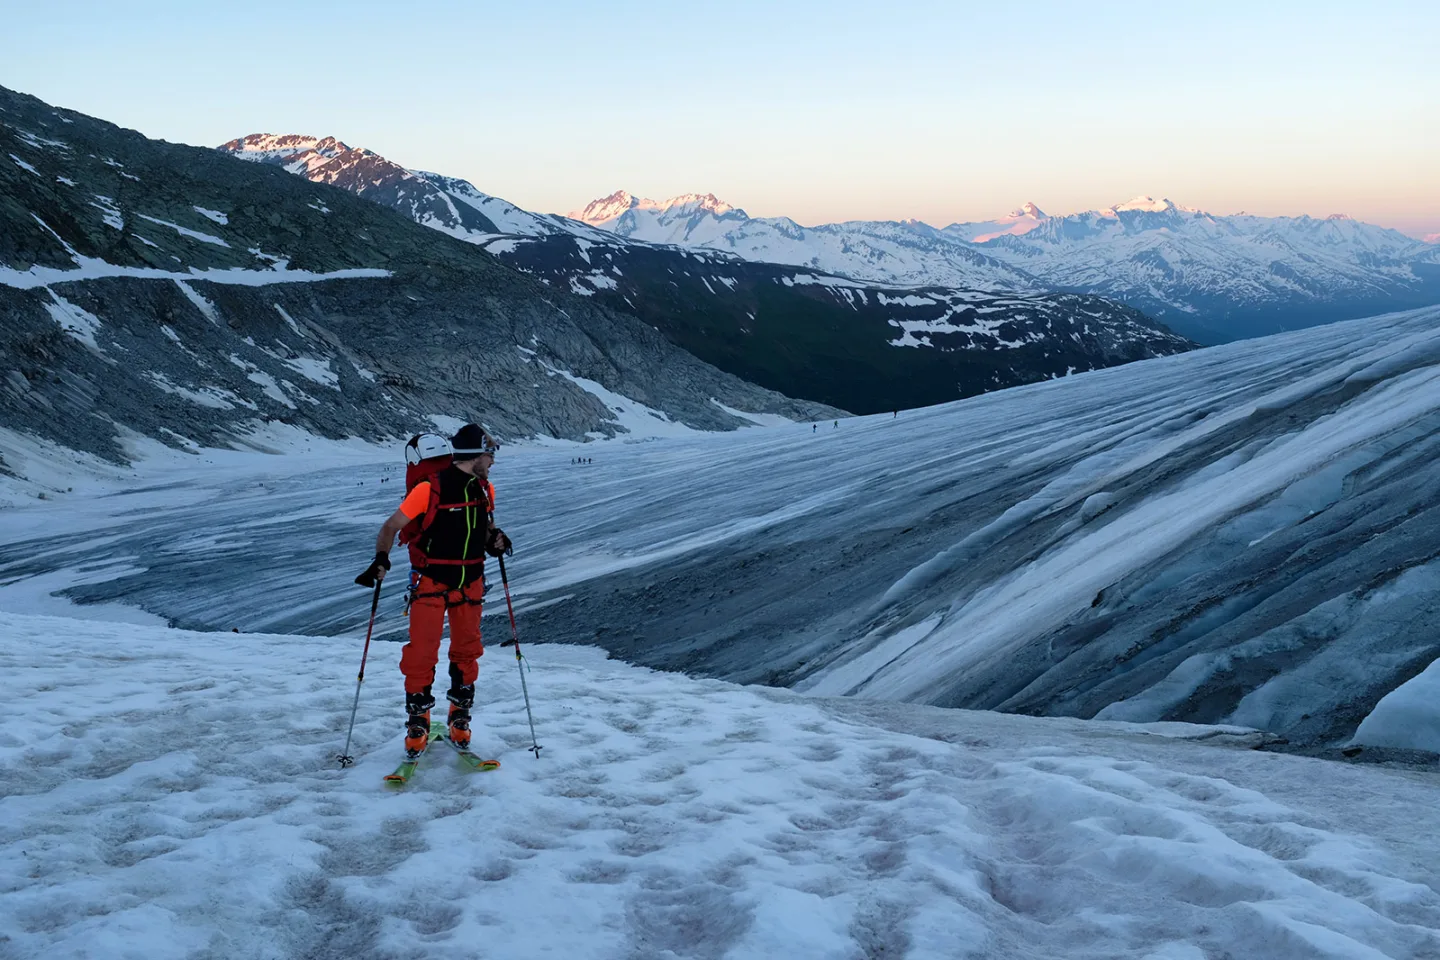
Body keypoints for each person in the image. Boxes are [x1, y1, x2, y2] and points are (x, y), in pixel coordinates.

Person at [356, 424, 512, 759]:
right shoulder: (429, 490)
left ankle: (459, 716)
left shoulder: (485, 490)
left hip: (470, 581)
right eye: (490, 453)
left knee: (467, 651)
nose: (493, 461)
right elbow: (391, 526)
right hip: (430, 581)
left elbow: (484, 529)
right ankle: (418, 720)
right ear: (475, 454)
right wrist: (381, 557)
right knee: (422, 654)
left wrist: (495, 541)